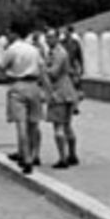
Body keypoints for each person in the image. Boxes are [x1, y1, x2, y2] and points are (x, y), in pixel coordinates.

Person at [0, 19, 46, 174]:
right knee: (34, 124)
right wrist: (48, 91)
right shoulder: (34, 49)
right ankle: (34, 153)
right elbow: (42, 70)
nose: (7, 35)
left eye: (8, 32)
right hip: (34, 86)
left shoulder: (12, 49)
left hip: (18, 86)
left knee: (21, 124)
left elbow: (0, 67)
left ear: (14, 33)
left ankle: (26, 158)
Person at [41, 25, 83, 168]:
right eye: (46, 37)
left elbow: (53, 72)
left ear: (57, 38)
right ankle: (72, 155)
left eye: (51, 37)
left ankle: (63, 158)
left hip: (59, 92)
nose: (48, 40)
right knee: (67, 125)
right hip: (67, 91)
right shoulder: (53, 52)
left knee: (59, 126)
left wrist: (42, 68)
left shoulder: (59, 53)